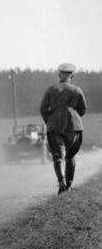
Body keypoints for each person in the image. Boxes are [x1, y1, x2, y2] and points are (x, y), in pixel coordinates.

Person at [40, 63, 87, 194]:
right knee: (70, 156)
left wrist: (50, 121)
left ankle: (61, 183)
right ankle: (69, 185)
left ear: (59, 75)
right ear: (72, 76)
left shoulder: (51, 89)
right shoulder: (77, 90)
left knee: (57, 156)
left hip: (54, 126)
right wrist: (74, 117)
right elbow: (83, 109)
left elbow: (43, 109)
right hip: (74, 126)